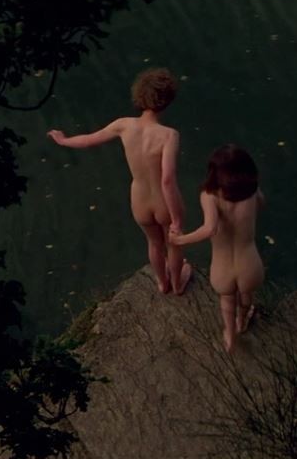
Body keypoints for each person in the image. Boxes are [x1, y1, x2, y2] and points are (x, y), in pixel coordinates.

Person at [47, 68, 191, 295]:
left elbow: (88, 140)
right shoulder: (169, 135)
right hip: (163, 202)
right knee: (173, 242)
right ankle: (177, 284)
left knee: (154, 243)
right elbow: (167, 180)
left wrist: (64, 141)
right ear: (168, 100)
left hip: (140, 201)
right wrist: (176, 219)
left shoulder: (124, 125)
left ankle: (162, 283)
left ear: (139, 95)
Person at [171, 144, 265, 352]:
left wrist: (180, 240)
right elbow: (261, 203)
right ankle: (242, 321)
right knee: (246, 295)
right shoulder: (253, 191)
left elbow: (210, 228)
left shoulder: (210, 196)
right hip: (251, 265)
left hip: (223, 270)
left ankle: (230, 335)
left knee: (227, 299)